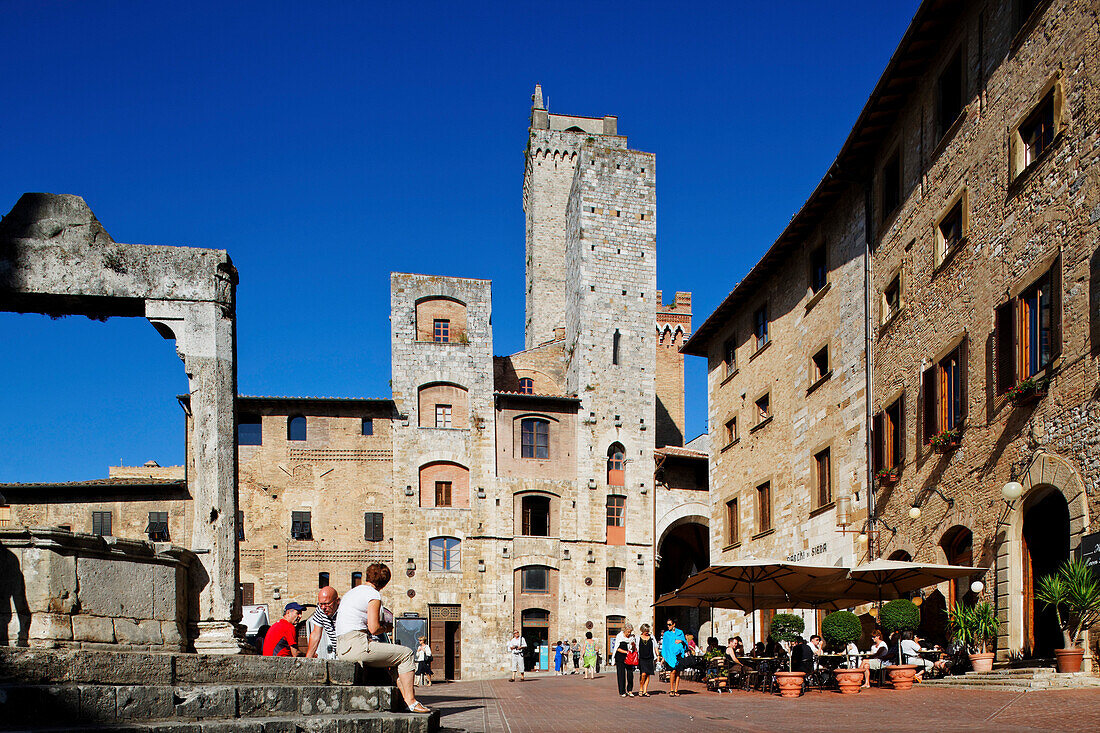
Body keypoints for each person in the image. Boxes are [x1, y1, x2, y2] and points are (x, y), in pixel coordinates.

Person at [335, 563, 429, 715]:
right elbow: (374, 628)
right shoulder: (373, 595)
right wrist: (387, 628)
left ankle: (404, 701)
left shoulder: (351, 593)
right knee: (406, 654)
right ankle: (411, 702)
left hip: (343, 646)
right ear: (385, 583)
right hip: (357, 645)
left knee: (394, 659)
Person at [305, 586, 339, 659]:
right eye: (321, 604)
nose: (323, 608)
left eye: (327, 604)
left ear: (337, 601)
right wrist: (308, 658)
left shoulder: (345, 610)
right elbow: (316, 634)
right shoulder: (320, 610)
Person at [661, 618, 688, 697]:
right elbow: (665, 646)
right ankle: (671, 689)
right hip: (671, 655)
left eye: (669, 624)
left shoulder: (680, 632)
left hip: (679, 655)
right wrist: (664, 657)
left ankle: (676, 690)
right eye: (667, 624)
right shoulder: (666, 634)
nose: (668, 626)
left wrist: (681, 641)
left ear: (674, 624)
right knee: (673, 671)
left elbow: (685, 642)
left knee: (678, 672)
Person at [612, 623, 638, 697]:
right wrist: (626, 652)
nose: (629, 633)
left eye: (630, 632)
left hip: (629, 658)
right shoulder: (619, 636)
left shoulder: (632, 637)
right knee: (621, 674)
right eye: (628, 632)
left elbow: (634, 647)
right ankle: (622, 691)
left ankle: (629, 690)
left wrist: (633, 645)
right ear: (624, 630)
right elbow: (617, 648)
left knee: (630, 674)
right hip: (620, 657)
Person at [636, 624, 657, 696]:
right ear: (642, 630)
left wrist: (657, 655)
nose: (647, 632)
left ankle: (645, 690)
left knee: (648, 674)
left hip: (650, 657)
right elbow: (635, 647)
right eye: (646, 631)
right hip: (642, 658)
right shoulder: (638, 638)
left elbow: (655, 646)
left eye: (648, 631)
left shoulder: (651, 637)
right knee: (643, 674)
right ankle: (641, 688)